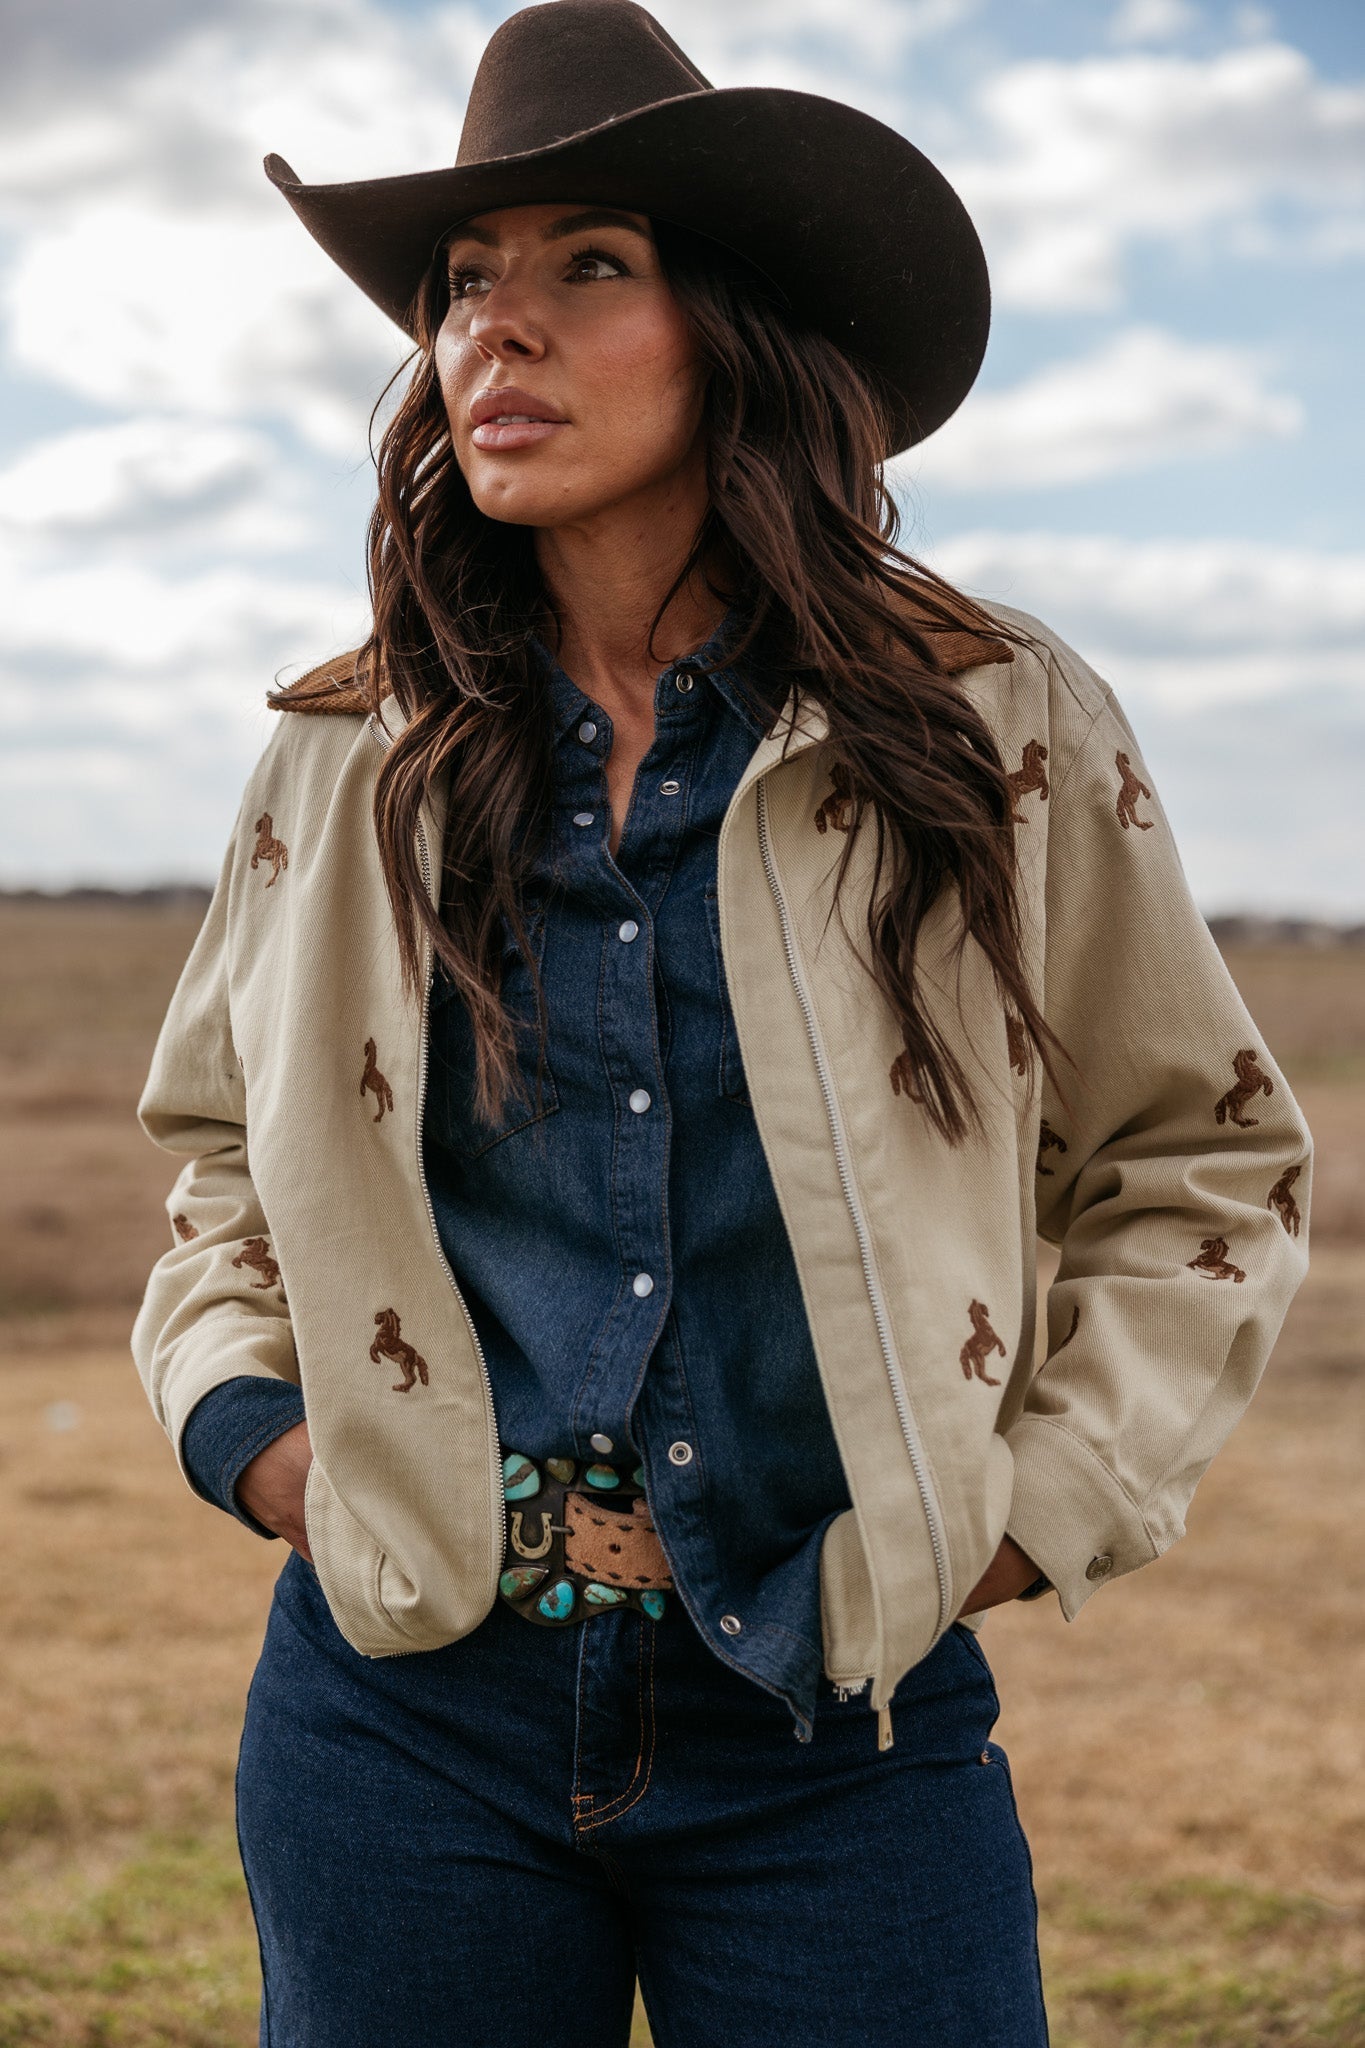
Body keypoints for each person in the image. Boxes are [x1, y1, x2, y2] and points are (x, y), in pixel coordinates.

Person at [130, 4, 1312, 2043]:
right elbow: (222, 1149)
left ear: (737, 324)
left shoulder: (989, 721)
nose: (495, 329)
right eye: (462, 282)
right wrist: (270, 1446)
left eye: (586, 262)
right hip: (403, 1711)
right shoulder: (345, 755)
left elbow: (1197, 1156)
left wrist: (1021, 1517)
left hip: (835, 1716)